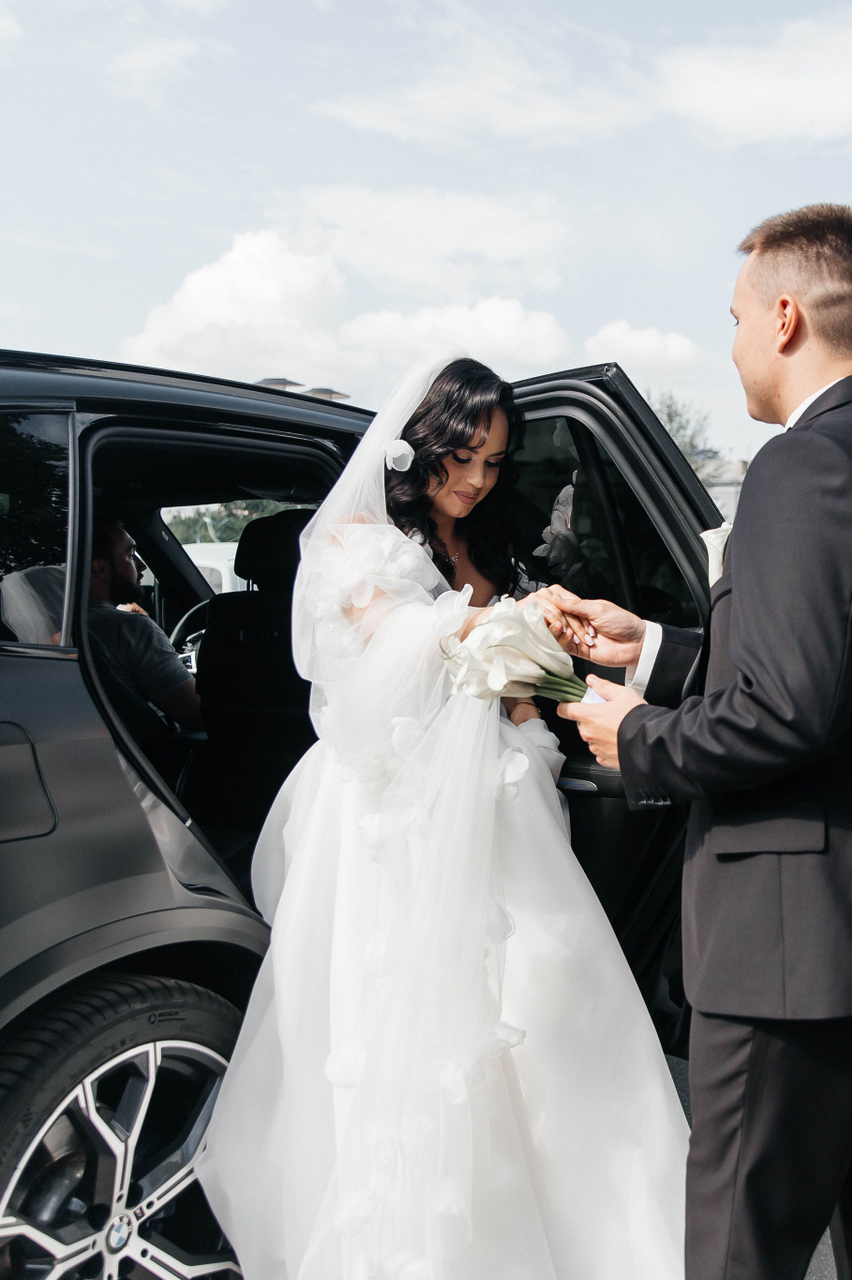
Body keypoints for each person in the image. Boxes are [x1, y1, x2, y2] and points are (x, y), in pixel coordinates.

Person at [553, 205, 852, 1280]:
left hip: (800, 951)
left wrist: (636, 735)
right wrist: (656, 648)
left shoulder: (806, 464)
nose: (734, 344)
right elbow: (851, 667)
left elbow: (787, 711)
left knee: (738, 1246)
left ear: (786, 316)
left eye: (736, 318)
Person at [200, 356, 686, 1280]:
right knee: (399, 1023)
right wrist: (505, 624)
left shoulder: (486, 545)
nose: (475, 480)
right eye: (461, 457)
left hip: (499, 798)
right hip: (390, 815)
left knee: (546, 1001)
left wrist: (536, 703)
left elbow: (508, 685)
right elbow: (394, 647)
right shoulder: (355, 544)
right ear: (419, 447)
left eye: (494, 463)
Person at [87, 517, 203, 732]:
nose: (142, 565)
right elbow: (199, 715)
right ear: (101, 568)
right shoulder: (129, 628)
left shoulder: (64, 626)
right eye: (130, 555)